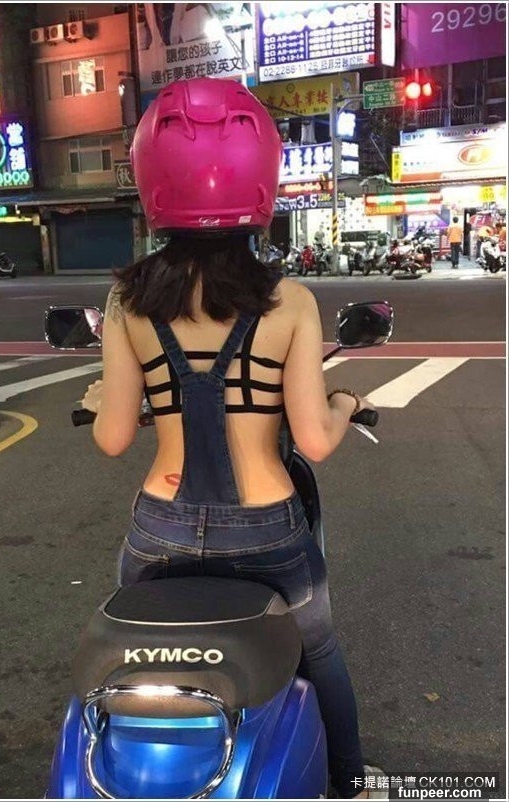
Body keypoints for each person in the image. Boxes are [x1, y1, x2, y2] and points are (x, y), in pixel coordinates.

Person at [81, 78, 382, 800]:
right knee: (320, 650)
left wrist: (99, 401)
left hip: (160, 528)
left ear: (152, 180)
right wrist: (343, 404)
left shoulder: (127, 301)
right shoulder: (290, 301)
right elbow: (314, 440)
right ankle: (349, 780)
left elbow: (114, 437)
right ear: (261, 180)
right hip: (268, 528)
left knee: (144, 655)